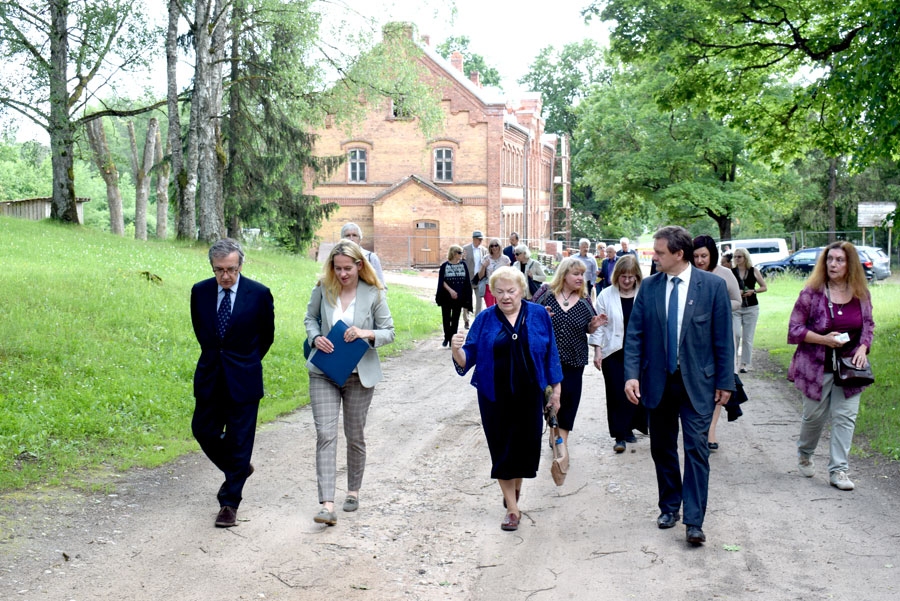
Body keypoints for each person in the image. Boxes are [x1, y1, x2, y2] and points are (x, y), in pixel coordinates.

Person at [624, 226, 734, 546]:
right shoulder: (650, 287)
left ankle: (694, 520)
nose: (653, 257)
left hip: (698, 383)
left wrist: (725, 381)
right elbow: (635, 336)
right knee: (662, 447)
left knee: (696, 449)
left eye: (659, 252)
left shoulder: (711, 287)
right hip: (657, 382)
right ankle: (670, 506)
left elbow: (723, 338)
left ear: (678, 254)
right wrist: (631, 375)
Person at [451, 266, 563, 532]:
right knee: (502, 450)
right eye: (499, 291)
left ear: (522, 290)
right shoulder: (485, 319)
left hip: (530, 396)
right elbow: (468, 359)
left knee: (525, 450)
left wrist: (556, 391)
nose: (505, 297)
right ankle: (513, 510)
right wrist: (456, 350)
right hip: (494, 397)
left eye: (511, 291)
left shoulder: (538, 315)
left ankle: (514, 488)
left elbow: (551, 355)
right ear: (492, 293)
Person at [305, 240, 395, 526]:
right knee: (325, 434)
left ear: (359, 266)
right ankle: (327, 505)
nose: (342, 274)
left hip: (359, 375)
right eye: (337, 268)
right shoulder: (323, 288)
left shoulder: (374, 293)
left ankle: (353, 491)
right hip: (325, 372)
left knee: (354, 435)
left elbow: (389, 332)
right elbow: (310, 319)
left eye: (348, 268)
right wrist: (315, 337)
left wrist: (364, 333)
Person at [190, 238, 275, 528]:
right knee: (202, 430)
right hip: (210, 375)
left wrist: (245, 361)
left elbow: (266, 337)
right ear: (212, 268)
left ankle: (229, 503)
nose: (225, 276)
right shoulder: (200, 292)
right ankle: (238, 467)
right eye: (219, 270)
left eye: (231, 269)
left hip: (244, 378)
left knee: (240, 440)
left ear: (240, 265)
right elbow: (202, 332)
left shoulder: (259, 294)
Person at [788, 241, 874, 491]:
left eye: (840, 260)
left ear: (851, 265)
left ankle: (839, 471)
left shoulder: (861, 293)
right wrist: (824, 339)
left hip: (850, 367)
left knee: (845, 417)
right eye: (830, 259)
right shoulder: (811, 293)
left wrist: (862, 347)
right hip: (816, 365)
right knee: (814, 417)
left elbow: (868, 325)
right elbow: (794, 329)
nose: (833, 264)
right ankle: (805, 453)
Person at [537, 257, 603, 449]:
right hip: (548, 359)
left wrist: (594, 325)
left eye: (582, 274)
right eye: (576, 274)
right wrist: (542, 316)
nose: (580, 278)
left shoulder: (584, 300)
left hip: (575, 359)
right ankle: (553, 430)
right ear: (564, 275)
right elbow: (529, 314)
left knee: (570, 399)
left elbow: (589, 327)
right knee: (550, 399)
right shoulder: (546, 293)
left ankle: (561, 442)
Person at [590, 255, 648, 453]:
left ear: (637, 277)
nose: (627, 281)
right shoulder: (606, 295)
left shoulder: (644, 293)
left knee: (635, 390)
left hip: (639, 351)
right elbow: (598, 325)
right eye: (623, 276)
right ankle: (619, 435)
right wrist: (597, 351)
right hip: (613, 351)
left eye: (631, 277)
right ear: (617, 276)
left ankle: (630, 427)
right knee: (616, 392)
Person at [692, 235, 743, 452]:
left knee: (717, 381)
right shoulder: (688, 275)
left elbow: (737, 300)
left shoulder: (724, 274)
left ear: (712, 254)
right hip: (694, 337)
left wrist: (717, 308)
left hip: (719, 333)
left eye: (704, 255)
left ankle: (710, 430)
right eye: (695, 256)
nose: (700, 260)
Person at [731, 247, 768, 373]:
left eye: (739, 256)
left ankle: (745, 364)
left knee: (747, 337)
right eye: (735, 257)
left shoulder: (753, 271)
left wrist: (753, 291)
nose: (736, 259)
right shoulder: (731, 272)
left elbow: (764, 287)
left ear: (745, 257)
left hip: (751, 307)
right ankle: (733, 362)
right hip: (736, 307)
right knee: (735, 335)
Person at [435, 245, 473, 346]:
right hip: (446, 297)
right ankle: (446, 337)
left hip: (459, 297)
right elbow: (442, 281)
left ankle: (452, 339)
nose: (461, 255)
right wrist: (451, 291)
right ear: (454, 253)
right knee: (446, 318)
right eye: (459, 253)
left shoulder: (463, 265)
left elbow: (466, 281)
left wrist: (466, 296)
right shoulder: (444, 266)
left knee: (455, 318)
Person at [340, 223, 386, 288]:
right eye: (347, 235)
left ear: (360, 238)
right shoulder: (337, 258)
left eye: (354, 235)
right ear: (342, 239)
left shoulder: (371, 257)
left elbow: (381, 285)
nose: (351, 239)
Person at [462, 230, 487, 326]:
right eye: (478, 239)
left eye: (481, 239)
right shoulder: (465, 248)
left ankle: (477, 319)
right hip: (468, 278)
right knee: (466, 300)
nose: (480, 241)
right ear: (474, 239)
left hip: (479, 278)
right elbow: (462, 262)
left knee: (479, 300)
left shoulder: (484, 250)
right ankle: (466, 320)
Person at [479, 237, 511, 308]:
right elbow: (480, 276)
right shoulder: (486, 258)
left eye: (496, 245)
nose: (494, 247)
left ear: (500, 246)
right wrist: (484, 266)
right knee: (490, 307)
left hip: (502, 287)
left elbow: (509, 275)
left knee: (501, 307)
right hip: (489, 286)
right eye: (492, 246)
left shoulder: (505, 259)